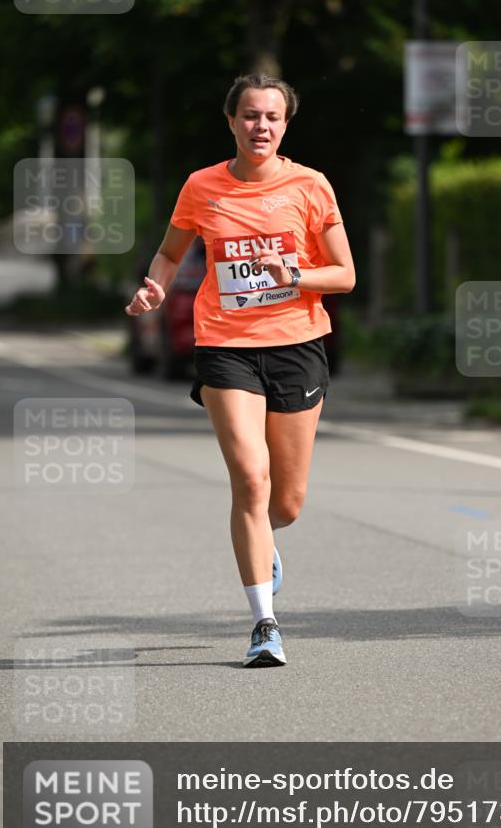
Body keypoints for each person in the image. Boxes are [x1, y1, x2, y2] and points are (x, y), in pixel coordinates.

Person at [125, 73, 355, 668]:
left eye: (272, 117)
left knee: (287, 501)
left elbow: (345, 275)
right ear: (231, 122)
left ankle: (267, 539)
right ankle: (264, 624)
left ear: (285, 125)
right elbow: (173, 252)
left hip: (298, 344)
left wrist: (294, 277)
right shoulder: (202, 186)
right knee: (250, 482)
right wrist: (156, 288)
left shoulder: (311, 186)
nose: (261, 126)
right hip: (225, 345)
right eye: (250, 116)